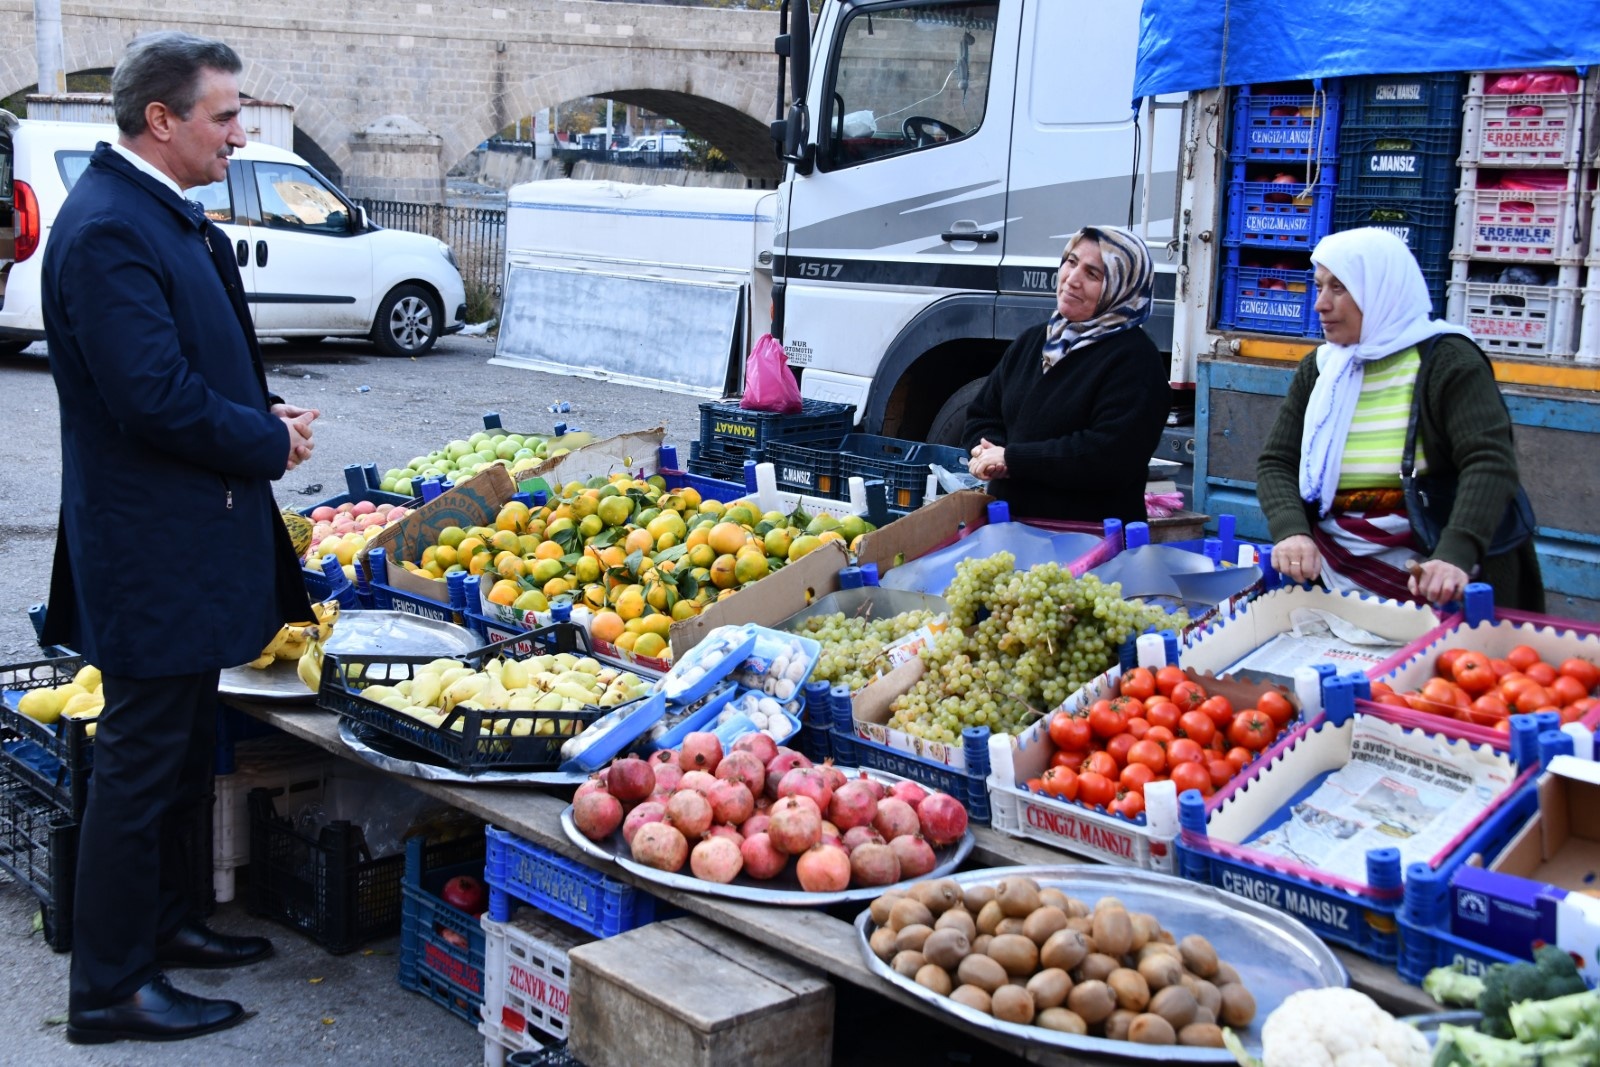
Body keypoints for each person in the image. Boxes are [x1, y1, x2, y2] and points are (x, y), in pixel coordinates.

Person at [38, 32, 319, 1044]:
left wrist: (264, 408)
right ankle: (110, 986)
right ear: (162, 120)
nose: (239, 134)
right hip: (152, 549)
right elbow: (148, 395)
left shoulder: (153, 213)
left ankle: (170, 923)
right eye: (225, 115)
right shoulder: (111, 227)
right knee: (139, 762)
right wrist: (263, 439)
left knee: (181, 748)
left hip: (188, 541)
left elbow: (190, 359)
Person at [1255, 228, 1543, 609]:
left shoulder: (1448, 362)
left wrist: (1455, 553)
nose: (1320, 304)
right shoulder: (1322, 368)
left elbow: (1489, 462)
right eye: (1319, 286)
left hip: (1437, 574)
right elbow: (1278, 462)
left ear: (1381, 290)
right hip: (1335, 571)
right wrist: (1292, 531)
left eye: (1339, 288)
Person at [963, 225, 1171, 525]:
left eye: (1093, 275)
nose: (1072, 280)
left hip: (1090, 541)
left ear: (1121, 287)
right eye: (1071, 262)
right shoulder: (1035, 341)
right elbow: (983, 414)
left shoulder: (1136, 361)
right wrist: (987, 453)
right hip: (1009, 531)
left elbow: (1108, 456)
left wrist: (1013, 460)